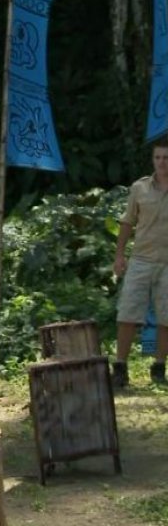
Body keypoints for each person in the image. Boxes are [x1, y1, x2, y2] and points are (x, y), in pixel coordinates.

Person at [112, 142, 168, 387]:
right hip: (141, 259)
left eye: (166, 157)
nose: (162, 162)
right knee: (127, 314)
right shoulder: (140, 187)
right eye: (158, 157)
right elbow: (127, 222)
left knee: (167, 318)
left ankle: (158, 368)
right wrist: (119, 255)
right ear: (153, 160)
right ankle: (120, 367)